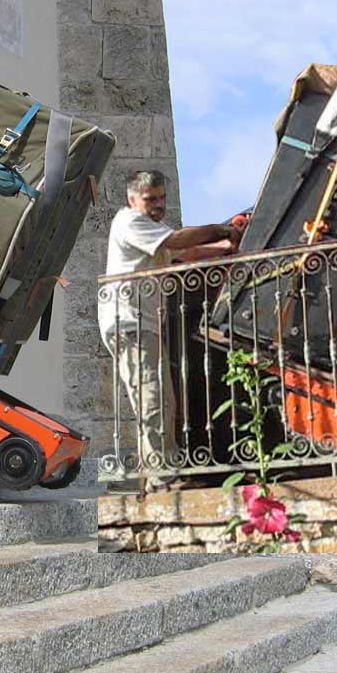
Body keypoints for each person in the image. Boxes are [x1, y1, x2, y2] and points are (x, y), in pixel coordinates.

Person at [97, 170, 240, 488]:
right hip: (130, 322)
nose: (159, 205)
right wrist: (221, 229)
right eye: (151, 199)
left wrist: (226, 249)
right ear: (132, 199)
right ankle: (163, 479)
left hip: (140, 323)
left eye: (162, 198)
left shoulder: (151, 230)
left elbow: (185, 253)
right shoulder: (129, 221)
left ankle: (159, 476)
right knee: (153, 397)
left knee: (159, 398)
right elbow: (177, 241)